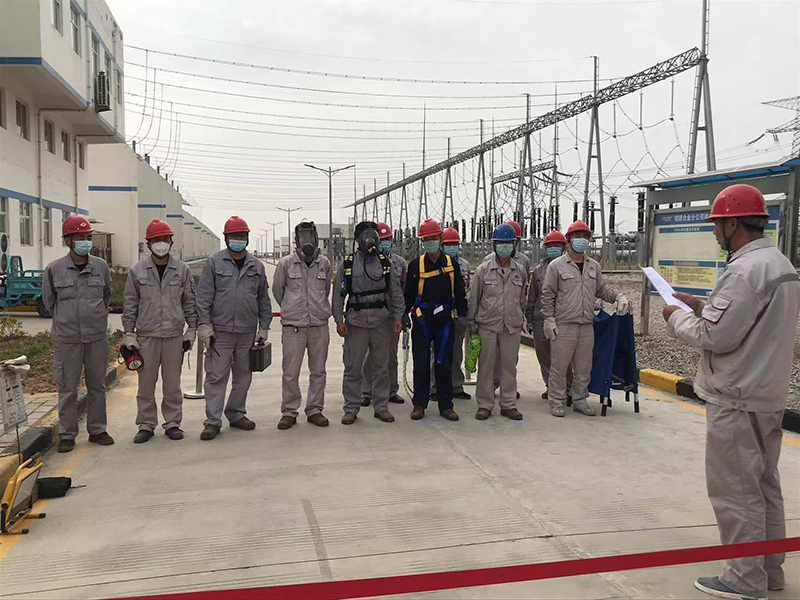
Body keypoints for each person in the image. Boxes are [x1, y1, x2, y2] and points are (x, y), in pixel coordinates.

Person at [663, 184, 799, 600]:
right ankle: (769, 571)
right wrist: (700, 305)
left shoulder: (743, 271)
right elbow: (747, 319)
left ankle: (743, 578)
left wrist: (675, 317)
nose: (715, 232)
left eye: (717, 225)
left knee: (736, 491)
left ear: (733, 224)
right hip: (766, 393)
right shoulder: (779, 265)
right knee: (764, 486)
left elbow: (716, 337)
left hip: (736, 395)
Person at [541, 220, 630, 418]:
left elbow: (600, 289)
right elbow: (548, 295)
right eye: (577, 236)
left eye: (584, 237)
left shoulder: (593, 266)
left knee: (583, 368)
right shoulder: (556, 266)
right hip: (564, 325)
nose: (581, 240)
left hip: (586, 325)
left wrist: (618, 296)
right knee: (559, 367)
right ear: (568, 240)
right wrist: (549, 319)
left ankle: (580, 400)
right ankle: (557, 401)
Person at [196, 215, 272, 440]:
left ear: (247, 238)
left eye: (241, 235)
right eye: (234, 235)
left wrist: (264, 327)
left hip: (247, 332)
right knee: (216, 377)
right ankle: (212, 421)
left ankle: (236, 413)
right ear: (226, 237)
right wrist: (205, 325)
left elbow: (263, 300)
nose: (238, 238)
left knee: (243, 377)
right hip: (220, 332)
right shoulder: (214, 263)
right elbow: (203, 297)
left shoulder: (256, 266)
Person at [42, 215, 114, 453]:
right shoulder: (54, 269)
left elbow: (106, 295)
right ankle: (67, 434)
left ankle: (98, 430)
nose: (85, 241)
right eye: (80, 237)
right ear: (68, 240)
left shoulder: (100, 266)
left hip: (96, 337)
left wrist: (95, 316)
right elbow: (49, 302)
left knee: (97, 386)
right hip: (67, 339)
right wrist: (67, 319)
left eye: (88, 237)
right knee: (67, 388)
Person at [122, 220, 197, 443]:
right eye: (156, 240)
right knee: (146, 385)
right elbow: (130, 304)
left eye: (165, 239)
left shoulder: (182, 270)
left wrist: (191, 330)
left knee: (172, 384)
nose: (161, 244)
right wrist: (129, 334)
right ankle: (146, 424)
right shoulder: (137, 271)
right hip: (147, 337)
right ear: (148, 244)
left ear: (171, 242)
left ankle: (173, 423)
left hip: (174, 336)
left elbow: (189, 302)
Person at [333, 221, 405, 424]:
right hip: (355, 324)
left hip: (381, 323)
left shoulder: (385, 263)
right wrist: (338, 320)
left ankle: (381, 407)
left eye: (374, 236)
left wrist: (398, 317)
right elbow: (337, 295)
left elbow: (396, 293)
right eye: (366, 237)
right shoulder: (347, 264)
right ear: (358, 240)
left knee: (381, 368)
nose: (370, 241)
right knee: (353, 368)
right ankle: (351, 408)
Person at [404, 219, 467, 421]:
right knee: (421, 364)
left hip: (445, 323)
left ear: (440, 239)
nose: (430, 242)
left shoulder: (451, 265)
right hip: (422, 321)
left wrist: (464, 317)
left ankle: (446, 405)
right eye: (426, 239)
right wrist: (403, 315)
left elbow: (459, 293)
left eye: (433, 238)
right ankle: (419, 404)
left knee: (444, 364)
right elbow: (408, 295)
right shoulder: (416, 265)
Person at [272, 221, 332, 430]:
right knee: (291, 372)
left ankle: (315, 409)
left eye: (310, 236)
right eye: (303, 237)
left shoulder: (324, 264)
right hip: (294, 327)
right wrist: (292, 309)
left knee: (318, 371)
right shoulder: (286, 264)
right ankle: (289, 412)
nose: (307, 241)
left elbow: (326, 291)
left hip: (318, 326)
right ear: (296, 241)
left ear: (316, 239)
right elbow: (278, 291)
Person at [467, 223, 528, 420]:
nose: (504, 247)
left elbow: (522, 300)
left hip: (511, 326)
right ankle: (485, 404)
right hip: (488, 325)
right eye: (500, 243)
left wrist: (520, 318)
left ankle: (508, 404)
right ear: (494, 245)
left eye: (508, 243)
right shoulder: (483, 270)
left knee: (509, 366)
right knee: (486, 366)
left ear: (514, 245)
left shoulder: (520, 271)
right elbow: (474, 299)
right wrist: (471, 324)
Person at [361, 222, 407, 407]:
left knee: (391, 356)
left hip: (392, 317)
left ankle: (391, 390)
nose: (385, 243)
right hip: (372, 315)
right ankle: (366, 392)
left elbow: (403, 290)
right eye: (382, 240)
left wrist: (402, 315)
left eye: (388, 240)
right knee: (370, 356)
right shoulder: (366, 261)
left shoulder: (399, 263)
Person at [526, 230, 570, 399]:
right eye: (550, 245)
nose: (554, 248)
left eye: (557, 245)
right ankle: (550, 386)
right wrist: (529, 318)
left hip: (562, 319)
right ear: (545, 248)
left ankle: (567, 388)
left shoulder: (570, 267)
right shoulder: (539, 271)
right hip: (541, 319)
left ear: (564, 247)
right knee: (544, 356)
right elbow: (533, 295)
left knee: (563, 358)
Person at [430, 227, 472, 400]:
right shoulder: (435, 263)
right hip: (439, 313)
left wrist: (464, 315)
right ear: (442, 245)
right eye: (448, 245)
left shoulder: (464, 265)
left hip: (457, 313)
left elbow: (466, 289)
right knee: (437, 352)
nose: (452, 248)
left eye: (454, 244)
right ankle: (435, 387)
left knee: (456, 352)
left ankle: (456, 385)